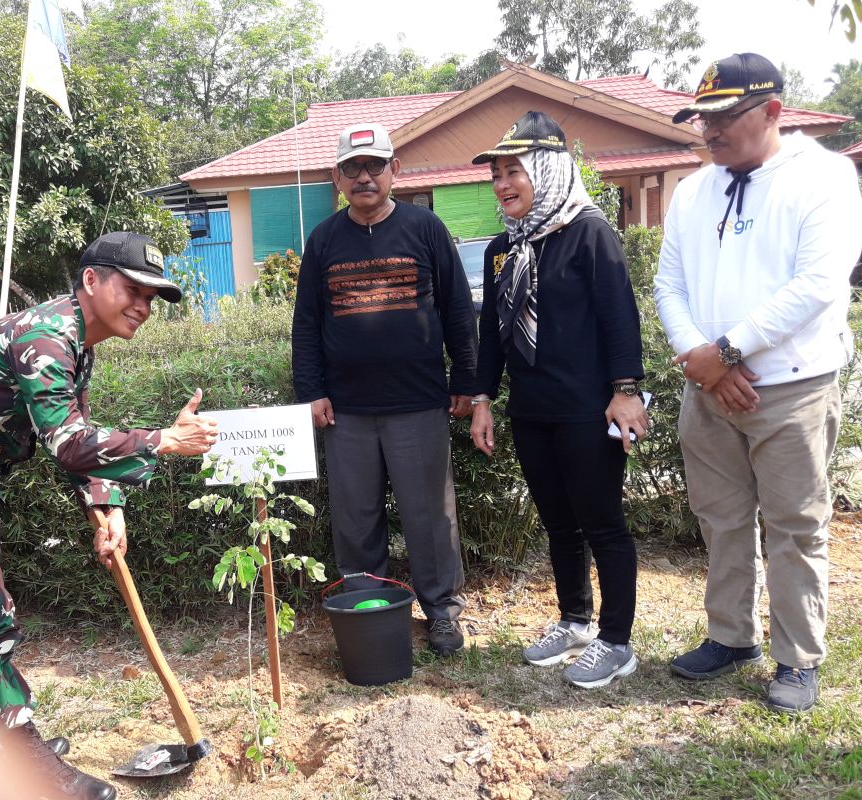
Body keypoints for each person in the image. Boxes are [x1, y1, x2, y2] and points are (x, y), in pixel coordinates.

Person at [0, 231, 219, 800]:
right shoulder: (48, 338)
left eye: (152, 297)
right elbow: (70, 444)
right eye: (133, 288)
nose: (144, 306)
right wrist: (163, 440)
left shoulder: (75, 342)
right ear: (91, 280)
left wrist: (106, 504)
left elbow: (73, 428)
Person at [656, 53, 862, 713]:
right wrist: (701, 359)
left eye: (723, 119)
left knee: (795, 525)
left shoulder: (823, 177)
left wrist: (726, 350)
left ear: (773, 111)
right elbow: (670, 285)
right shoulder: (694, 189)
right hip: (708, 387)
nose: (709, 133)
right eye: (702, 120)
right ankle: (731, 635)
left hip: (792, 388)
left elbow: (819, 283)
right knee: (720, 520)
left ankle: (798, 659)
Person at [467, 112, 648, 689]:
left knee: (601, 523)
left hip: (587, 408)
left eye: (513, 170)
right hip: (533, 408)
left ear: (547, 171)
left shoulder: (589, 232)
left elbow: (620, 315)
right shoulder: (503, 249)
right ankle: (575, 620)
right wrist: (484, 399)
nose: (502, 184)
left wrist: (625, 391)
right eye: (495, 174)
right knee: (557, 523)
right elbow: (492, 332)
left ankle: (616, 641)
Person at [291, 122, 476, 656]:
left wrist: (466, 381)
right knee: (356, 520)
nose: (365, 176)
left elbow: (459, 312)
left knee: (430, 518)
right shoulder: (324, 239)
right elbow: (307, 323)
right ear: (338, 178)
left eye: (376, 165)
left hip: (419, 402)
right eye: (354, 168)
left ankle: (441, 612)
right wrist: (312, 391)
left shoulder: (426, 228)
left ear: (397, 170)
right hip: (345, 410)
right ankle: (366, 609)